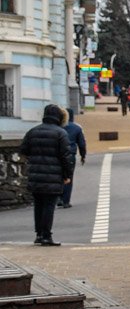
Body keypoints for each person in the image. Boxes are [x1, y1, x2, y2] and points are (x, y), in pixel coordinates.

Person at [18, 104, 73, 246]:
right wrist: (67, 175)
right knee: (49, 205)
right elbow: (66, 156)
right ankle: (46, 236)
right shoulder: (60, 133)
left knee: (38, 205)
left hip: (35, 174)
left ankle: (39, 234)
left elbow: (23, 150)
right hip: (53, 175)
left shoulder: (33, 131)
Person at [59, 108, 87, 208]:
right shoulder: (76, 128)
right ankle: (66, 201)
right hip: (70, 155)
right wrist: (83, 155)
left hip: (57, 155)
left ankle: (58, 198)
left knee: (58, 176)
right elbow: (82, 144)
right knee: (68, 177)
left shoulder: (57, 127)